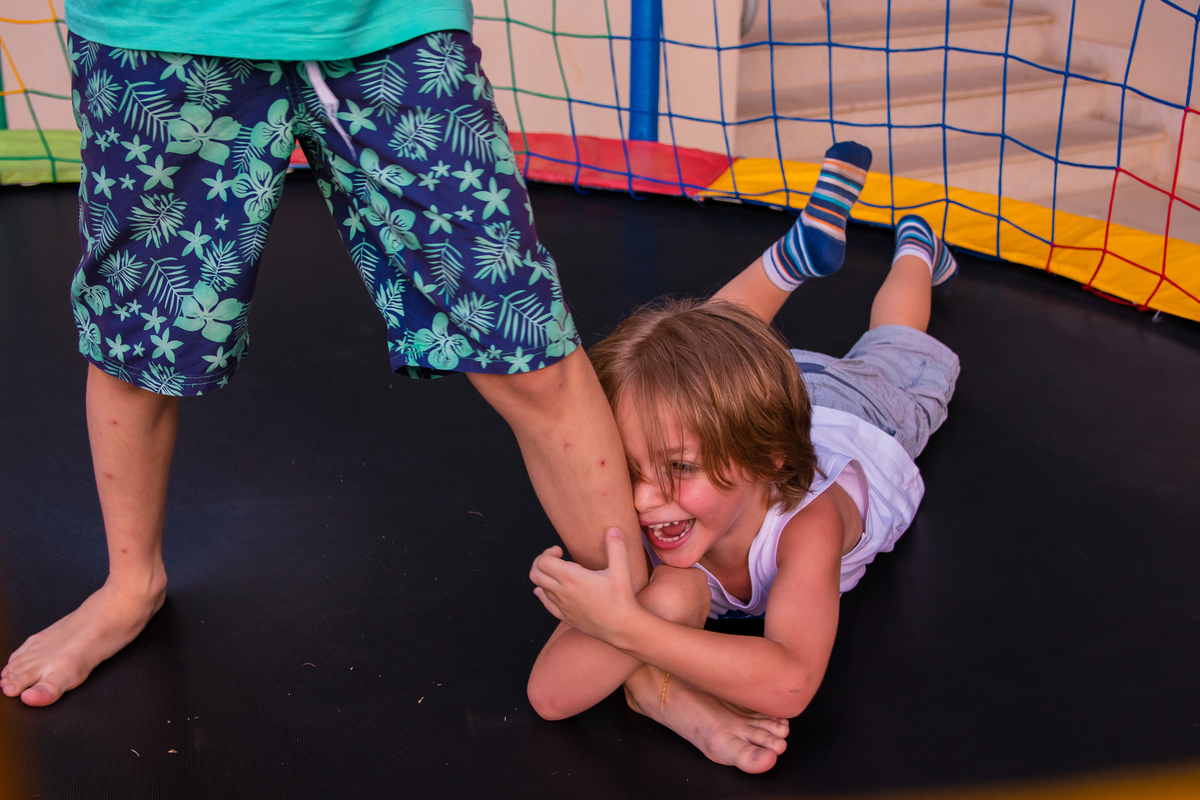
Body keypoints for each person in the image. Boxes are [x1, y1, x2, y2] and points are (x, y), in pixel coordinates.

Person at [0, 1, 646, 706]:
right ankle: (130, 587)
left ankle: (639, 641)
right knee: (137, 340)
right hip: (160, 29)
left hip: (387, 22)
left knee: (525, 340)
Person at [526, 142, 961, 773]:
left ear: (770, 460)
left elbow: (791, 681)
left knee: (897, 339)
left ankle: (918, 250)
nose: (642, 500)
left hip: (866, 412)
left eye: (678, 469)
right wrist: (632, 622)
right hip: (749, 412)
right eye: (630, 468)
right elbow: (549, 696)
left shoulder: (808, 525)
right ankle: (792, 257)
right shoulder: (682, 504)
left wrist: (624, 627)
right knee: (684, 361)